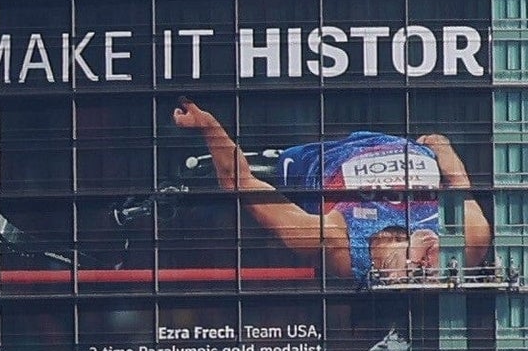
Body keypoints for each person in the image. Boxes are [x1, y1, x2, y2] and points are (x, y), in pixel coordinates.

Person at [174, 104, 485, 288]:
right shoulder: (468, 238)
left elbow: (239, 181)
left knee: (262, 165)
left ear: (391, 276)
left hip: (317, 157)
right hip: (399, 140)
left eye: (422, 272)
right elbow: (458, 182)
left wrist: (208, 127)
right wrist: (440, 145)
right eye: (442, 272)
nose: (436, 262)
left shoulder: (335, 239)